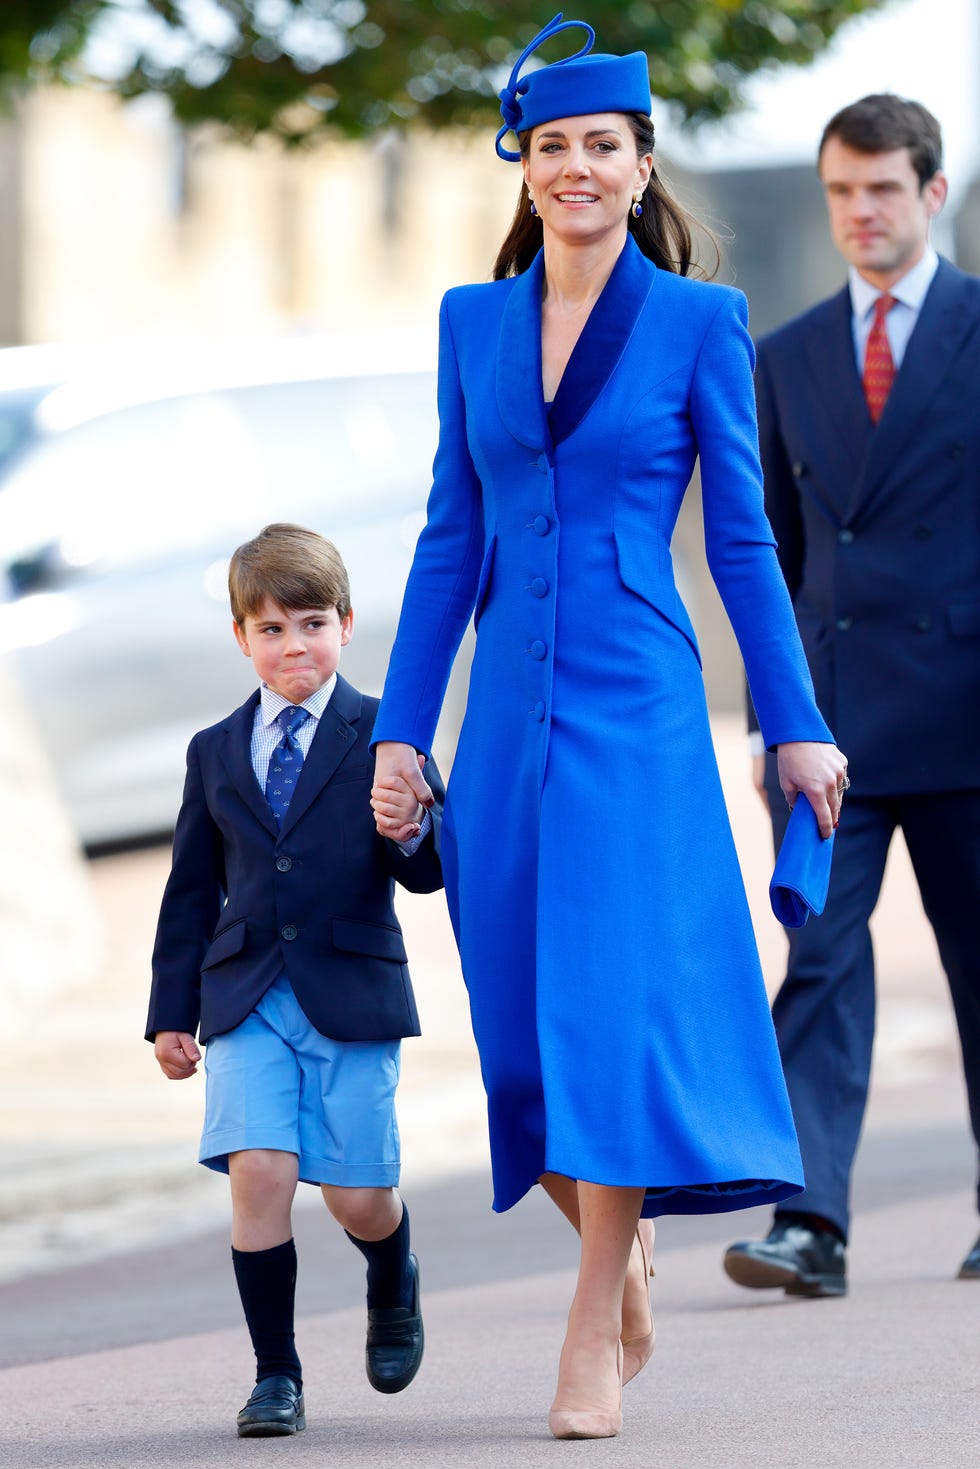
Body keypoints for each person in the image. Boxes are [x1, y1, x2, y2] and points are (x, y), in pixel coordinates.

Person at [370, 13, 846, 1442]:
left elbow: (749, 546)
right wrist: (403, 727)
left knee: (604, 1009)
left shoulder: (701, 323)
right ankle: (617, 1238)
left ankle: (593, 1316)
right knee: (515, 1027)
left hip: (637, 700)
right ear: (528, 169)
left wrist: (793, 722)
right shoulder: (470, 321)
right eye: (555, 146)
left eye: (606, 148)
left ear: (643, 171)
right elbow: (451, 533)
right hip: (504, 707)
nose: (578, 168)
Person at [723, 95, 980, 1298]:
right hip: (828, 725)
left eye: (880, 188)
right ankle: (807, 1219)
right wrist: (775, 716)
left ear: (930, 194)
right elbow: (767, 550)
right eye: (839, 190)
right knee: (815, 953)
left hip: (969, 710)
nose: (858, 212)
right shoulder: (782, 355)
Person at [145, 522, 444, 1437]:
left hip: (350, 993)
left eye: (310, 623)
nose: (292, 645)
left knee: (356, 1194)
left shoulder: (387, 733)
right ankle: (277, 1374)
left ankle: (391, 1271)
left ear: (346, 624)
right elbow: (191, 888)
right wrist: (171, 1012)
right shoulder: (214, 748)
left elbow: (429, 872)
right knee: (260, 1171)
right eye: (270, 628)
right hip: (243, 996)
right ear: (242, 638)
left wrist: (412, 831)